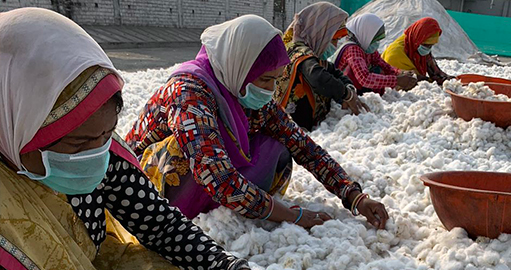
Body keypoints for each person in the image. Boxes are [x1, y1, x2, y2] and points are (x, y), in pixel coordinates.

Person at [0, 8, 305, 270]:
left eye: (105, 137)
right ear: (13, 123)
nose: (96, 155)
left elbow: (159, 223)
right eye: (76, 145)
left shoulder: (99, 154)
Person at [126, 15, 389, 230]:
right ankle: (196, 209)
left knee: (280, 146)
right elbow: (216, 176)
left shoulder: (245, 91)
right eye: (265, 80)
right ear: (240, 66)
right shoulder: (190, 93)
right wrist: (290, 215)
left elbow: (303, 146)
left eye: (275, 80)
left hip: (214, 177)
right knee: (186, 153)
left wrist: (354, 196)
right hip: (147, 184)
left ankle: (239, 204)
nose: (271, 89)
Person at [274, 2, 370, 131]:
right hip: (291, 129)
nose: (335, 46)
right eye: (333, 40)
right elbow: (319, 78)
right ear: (320, 33)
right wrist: (346, 94)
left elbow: (335, 72)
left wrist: (349, 88)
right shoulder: (299, 52)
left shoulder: (314, 55)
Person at [333, 13, 418, 96]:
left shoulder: (366, 47)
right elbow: (364, 78)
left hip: (358, 86)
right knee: (375, 72)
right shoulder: (352, 49)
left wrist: (400, 73)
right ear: (365, 35)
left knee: (380, 69)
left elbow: (384, 65)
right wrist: (397, 80)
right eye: (375, 40)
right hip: (344, 90)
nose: (377, 43)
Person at [381, 17, 453, 86]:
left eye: (431, 46)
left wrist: (446, 79)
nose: (428, 49)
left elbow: (434, 71)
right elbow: (408, 81)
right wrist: (430, 82)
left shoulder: (415, 43)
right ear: (418, 39)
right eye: (426, 45)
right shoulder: (395, 54)